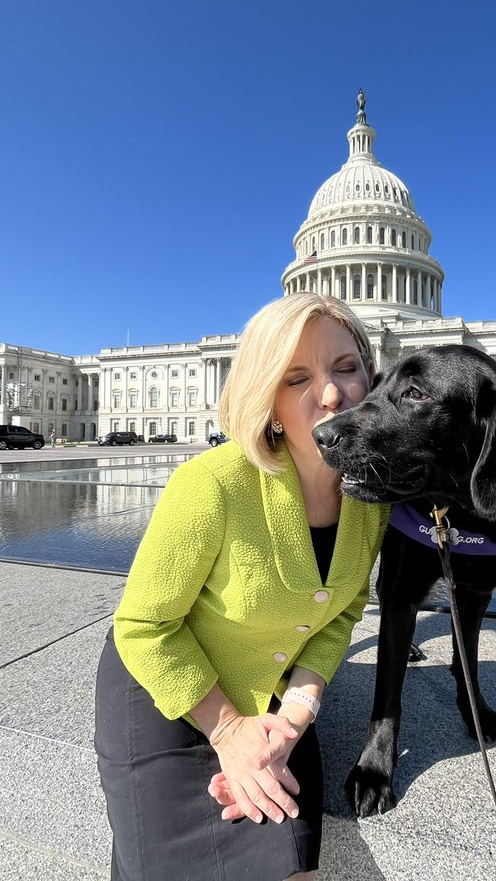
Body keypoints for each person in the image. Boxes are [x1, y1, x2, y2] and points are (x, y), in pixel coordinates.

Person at [94, 293, 390, 880]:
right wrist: (229, 731)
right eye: (297, 377)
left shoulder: (371, 494)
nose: (331, 395)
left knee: (290, 870)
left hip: (273, 704)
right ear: (268, 397)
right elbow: (143, 627)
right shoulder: (213, 484)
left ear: (371, 377)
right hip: (168, 689)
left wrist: (295, 719)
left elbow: (343, 612)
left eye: (346, 368)